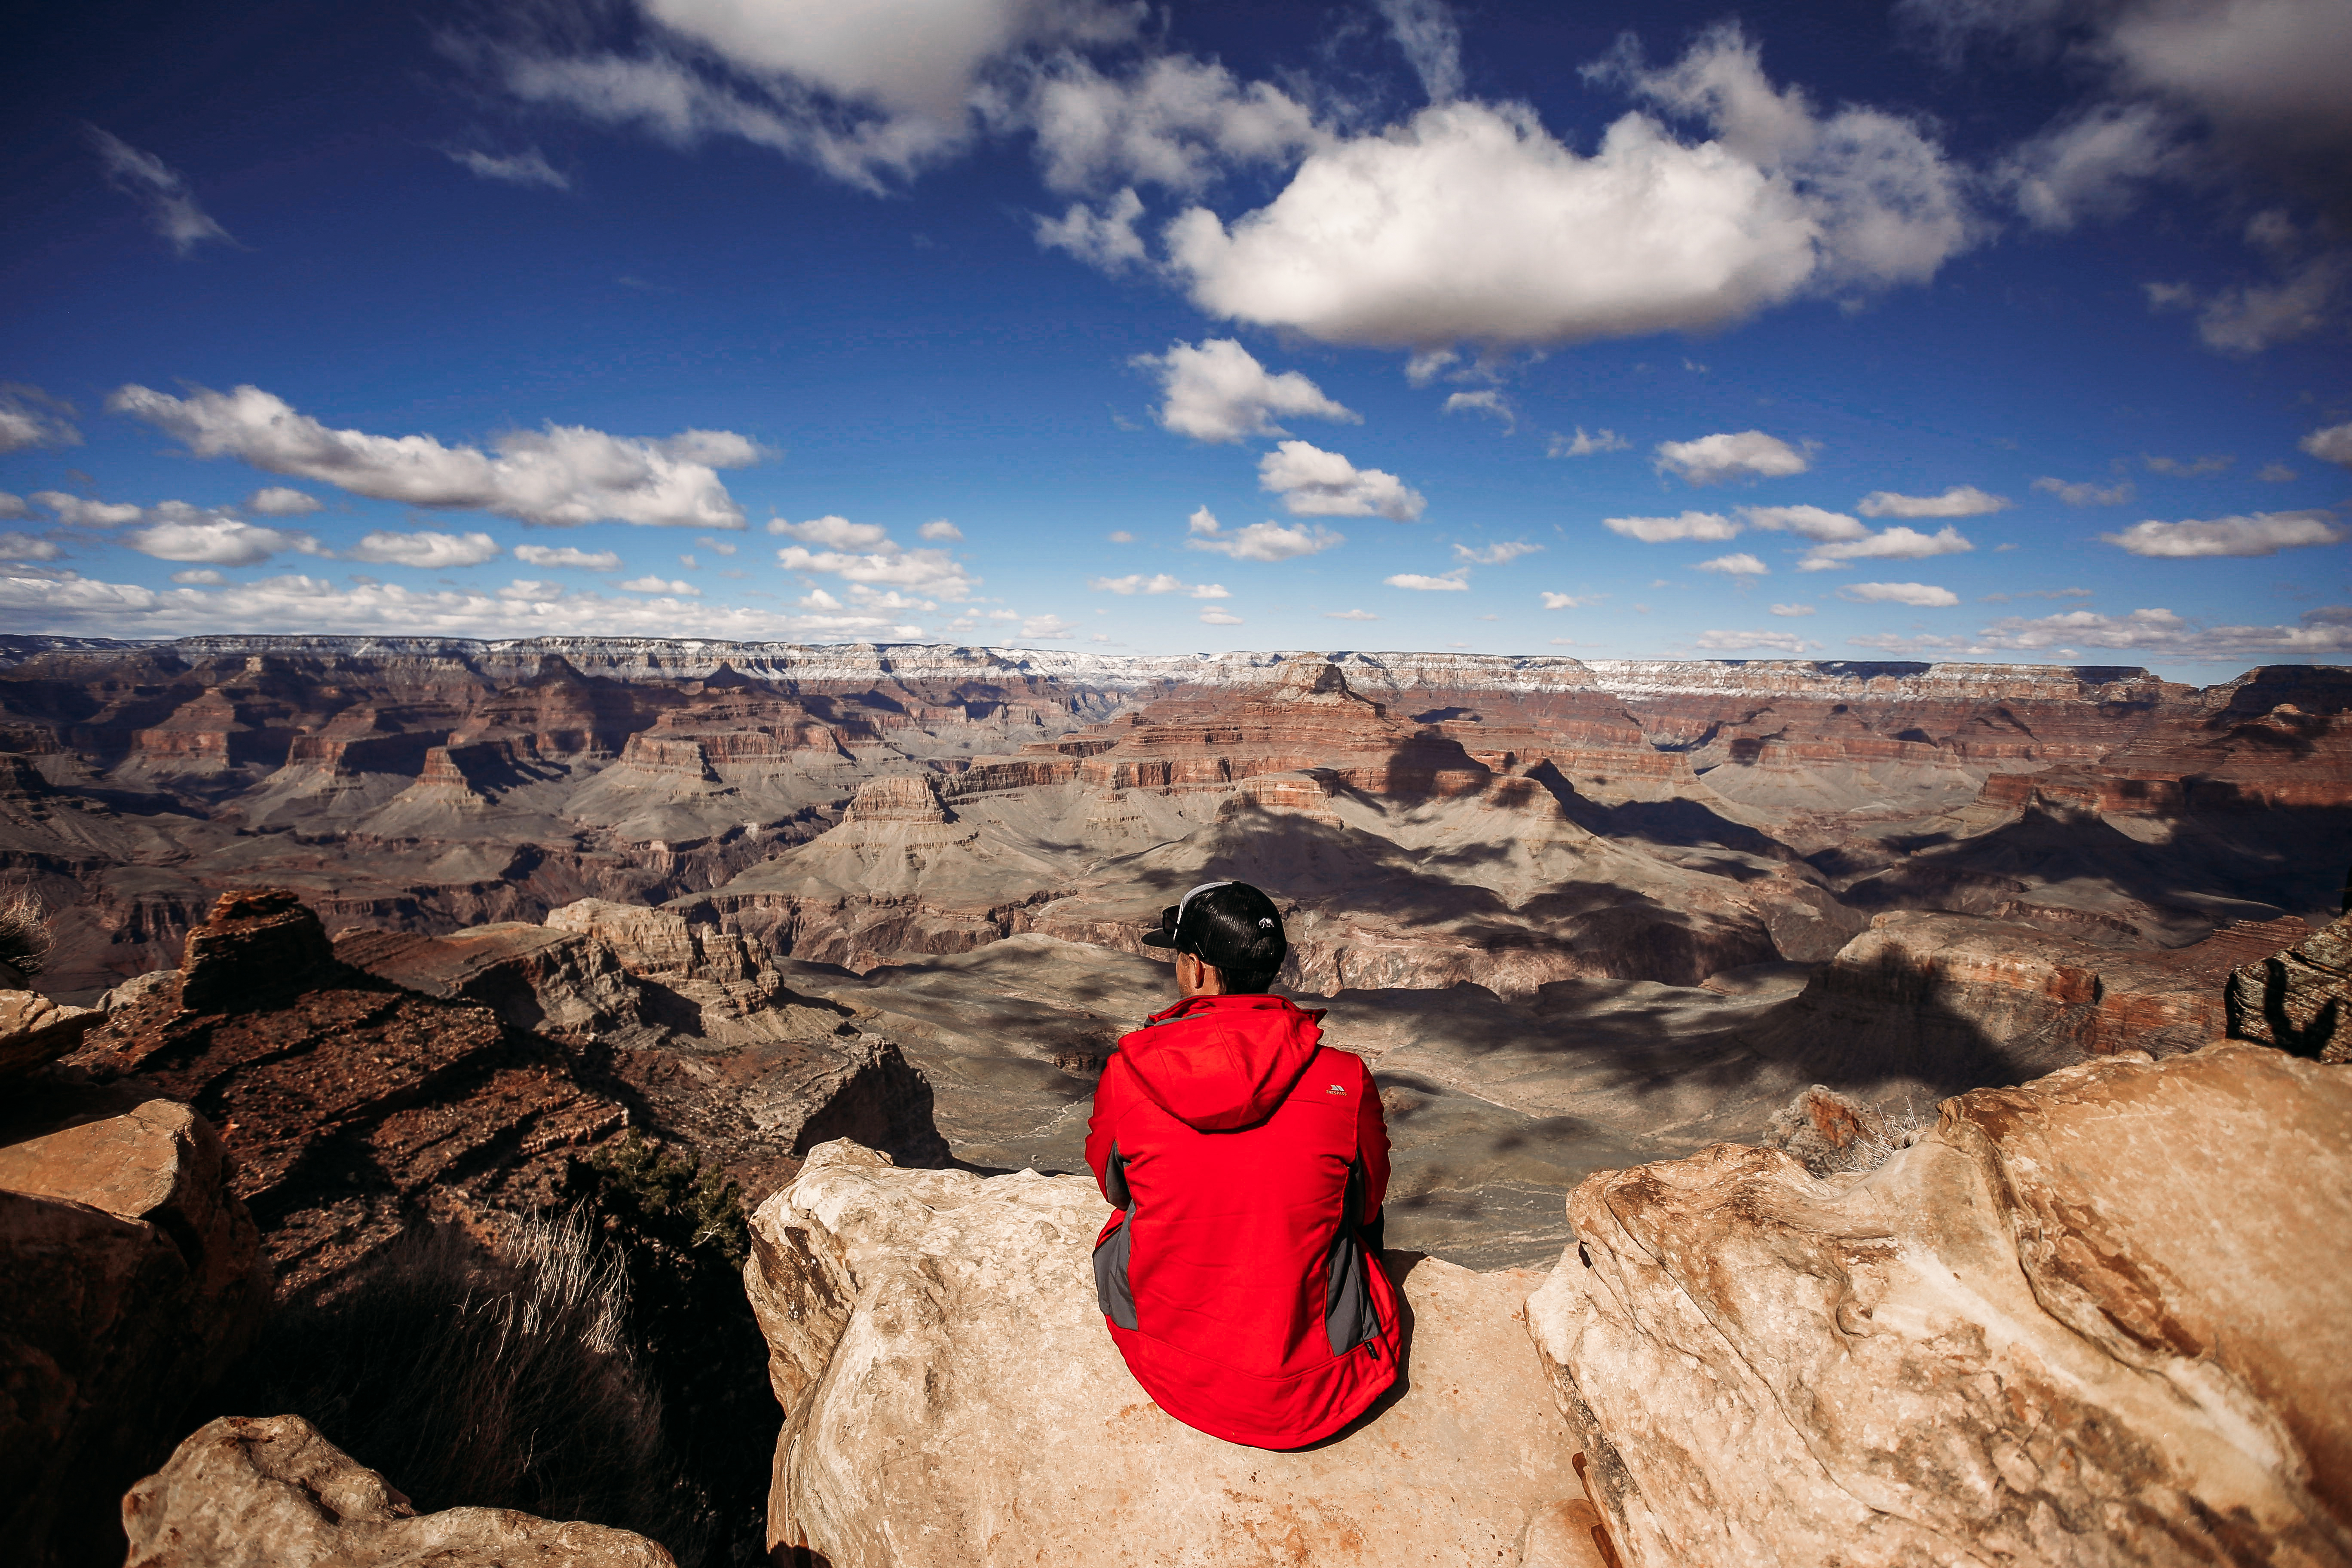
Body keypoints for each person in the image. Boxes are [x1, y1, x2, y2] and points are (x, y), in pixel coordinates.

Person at [1083, 879, 1402, 1449]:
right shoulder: (1346, 1079)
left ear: (1198, 971)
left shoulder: (1126, 1074)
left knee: (1122, 1227)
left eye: (1179, 957)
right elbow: (1368, 1202)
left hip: (1178, 1371)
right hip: (1322, 1383)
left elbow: (1114, 1189)